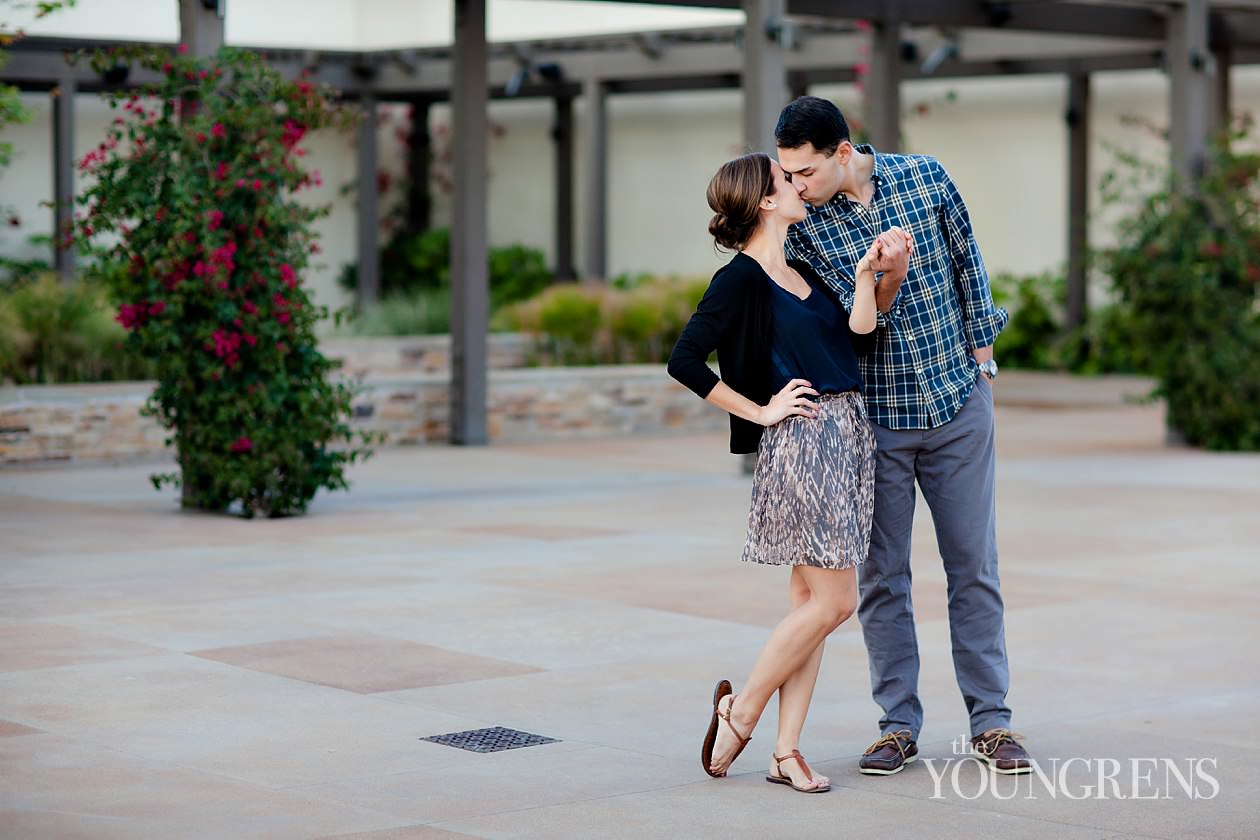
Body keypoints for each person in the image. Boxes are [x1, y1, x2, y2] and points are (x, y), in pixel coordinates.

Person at [773, 95, 1032, 776]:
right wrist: (882, 283)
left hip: (956, 403)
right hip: (877, 420)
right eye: (786, 175)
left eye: (803, 172)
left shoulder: (926, 177)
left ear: (841, 150)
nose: (794, 186)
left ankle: (992, 722)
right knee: (883, 578)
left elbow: (969, 265)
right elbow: (845, 332)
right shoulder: (807, 233)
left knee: (974, 567)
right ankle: (898, 725)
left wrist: (983, 361)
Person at [668, 152, 907, 793]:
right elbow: (685, 360)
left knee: (810, 604)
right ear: (766, 202)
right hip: (803, 445)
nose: (800, 186)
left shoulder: (801, 268)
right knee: (837, 601)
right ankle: (740, 712)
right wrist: (763, 411)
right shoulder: (739, 280)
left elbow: (858, 335)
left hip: (849, 435)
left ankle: (786, 751)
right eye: (787, 180)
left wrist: (864, 278)